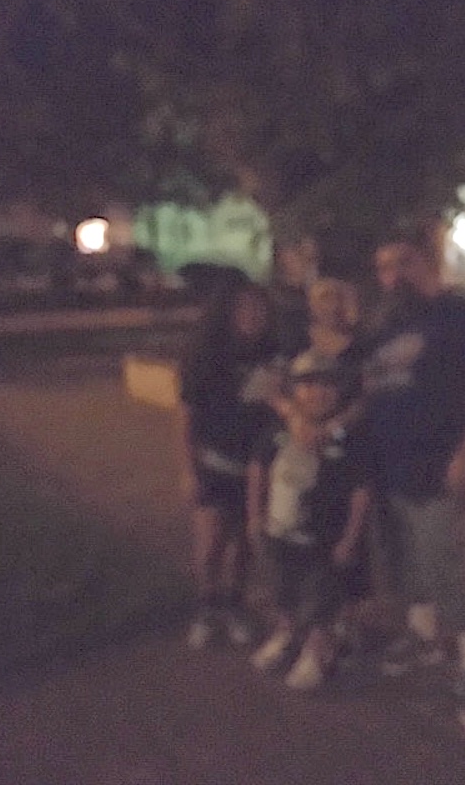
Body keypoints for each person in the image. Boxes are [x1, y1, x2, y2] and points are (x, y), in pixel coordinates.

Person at [362, 235, 465, 732]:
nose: (393, 274)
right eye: (384, 266)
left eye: (403, 262)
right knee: (404, 558)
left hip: (439, 462)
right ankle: (423, 639)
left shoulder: (462, 317)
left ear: (428, 262)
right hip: (387, 465)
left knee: (448, 562)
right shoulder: (384, 325)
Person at [246, 350, 371, 690]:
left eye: (327, 385)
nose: (317, 392)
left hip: (324, 538)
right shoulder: (278, 431)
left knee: (320, 598)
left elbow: (361, 492)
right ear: (294, 390)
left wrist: (350, 538)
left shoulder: (347, 438)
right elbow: (258, 470)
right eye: (308, 385)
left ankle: (317, 650)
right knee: (281, 588)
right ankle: (287, 633)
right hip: (280, 532)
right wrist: (254, 515)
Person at [180, 281, 282, 649]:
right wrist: (188, 468)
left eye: (259, 308)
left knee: (243, 544)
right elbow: (186, 415)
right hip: (214, 461)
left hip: (256, 465)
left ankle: (235, 606)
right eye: (244, 308)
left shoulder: (273, 353)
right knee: (210, 543)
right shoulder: (206, 357)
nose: (252, 315)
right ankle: (207, 609)